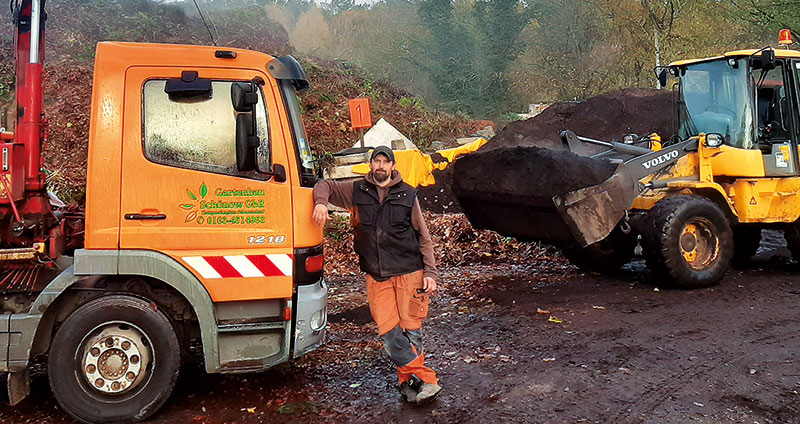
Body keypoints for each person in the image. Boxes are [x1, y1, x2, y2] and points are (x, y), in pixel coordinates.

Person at [312, 146, 442, 404]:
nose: (381, 166)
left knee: (411, 328)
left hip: (410, 271)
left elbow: (423, 236)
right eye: (376, 161)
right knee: (389, 331)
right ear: (371, 165)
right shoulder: (357, 190)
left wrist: (431, 272)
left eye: (386, 162)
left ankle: (410, 383)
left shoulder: (408, 194)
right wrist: (320, 203)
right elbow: (323, 185)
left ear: (393, 166)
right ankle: (426, 379)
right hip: (376, 274)